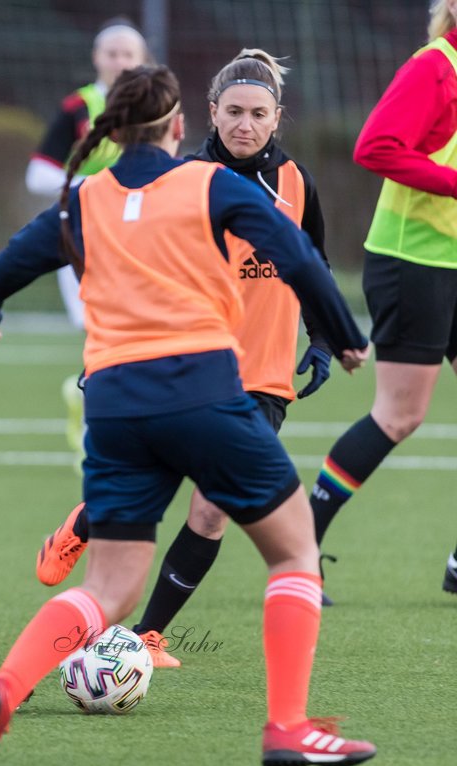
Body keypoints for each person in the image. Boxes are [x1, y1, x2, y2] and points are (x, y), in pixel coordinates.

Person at [0, 65, 375, 766]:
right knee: (294, 551)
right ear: (182, 126)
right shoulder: (213, 183)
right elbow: (298, 253)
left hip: (114, 409)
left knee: (109, 590)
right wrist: (344, 336)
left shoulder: (87, 197)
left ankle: (2, 691)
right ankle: (288, 728)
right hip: (203, 392)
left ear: (112, 128)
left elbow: (7, 266)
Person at [33, 49, 340, 666]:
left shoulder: (296, 183)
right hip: (189, 361)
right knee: (160, 483)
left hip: (265, 374)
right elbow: (131, 276)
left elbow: (316, 263)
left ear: (277, 117)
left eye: (258, 113)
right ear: (210, 112)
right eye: (233, 112)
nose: (244, 125)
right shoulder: (184, 179)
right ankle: (83, 524)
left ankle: (145, 635)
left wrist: (324, 338)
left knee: (213, 507)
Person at [306, 0, 457, 598]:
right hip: (413, 262)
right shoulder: (435, 66)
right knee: (399, 415)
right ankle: (301, 549)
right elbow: (375, 146)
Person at [26, 19, 148, 464]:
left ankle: (98, 407)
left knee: (129, 332)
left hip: (138, 243)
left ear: (142, 60)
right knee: (100, 331)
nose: (119, 61)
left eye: (128, 54)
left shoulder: (156, 107)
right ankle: (96, 418)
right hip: (79, 239)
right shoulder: (79, 106)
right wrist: (95, 188)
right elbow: (38, 173)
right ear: (97, 58)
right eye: (111, 53)